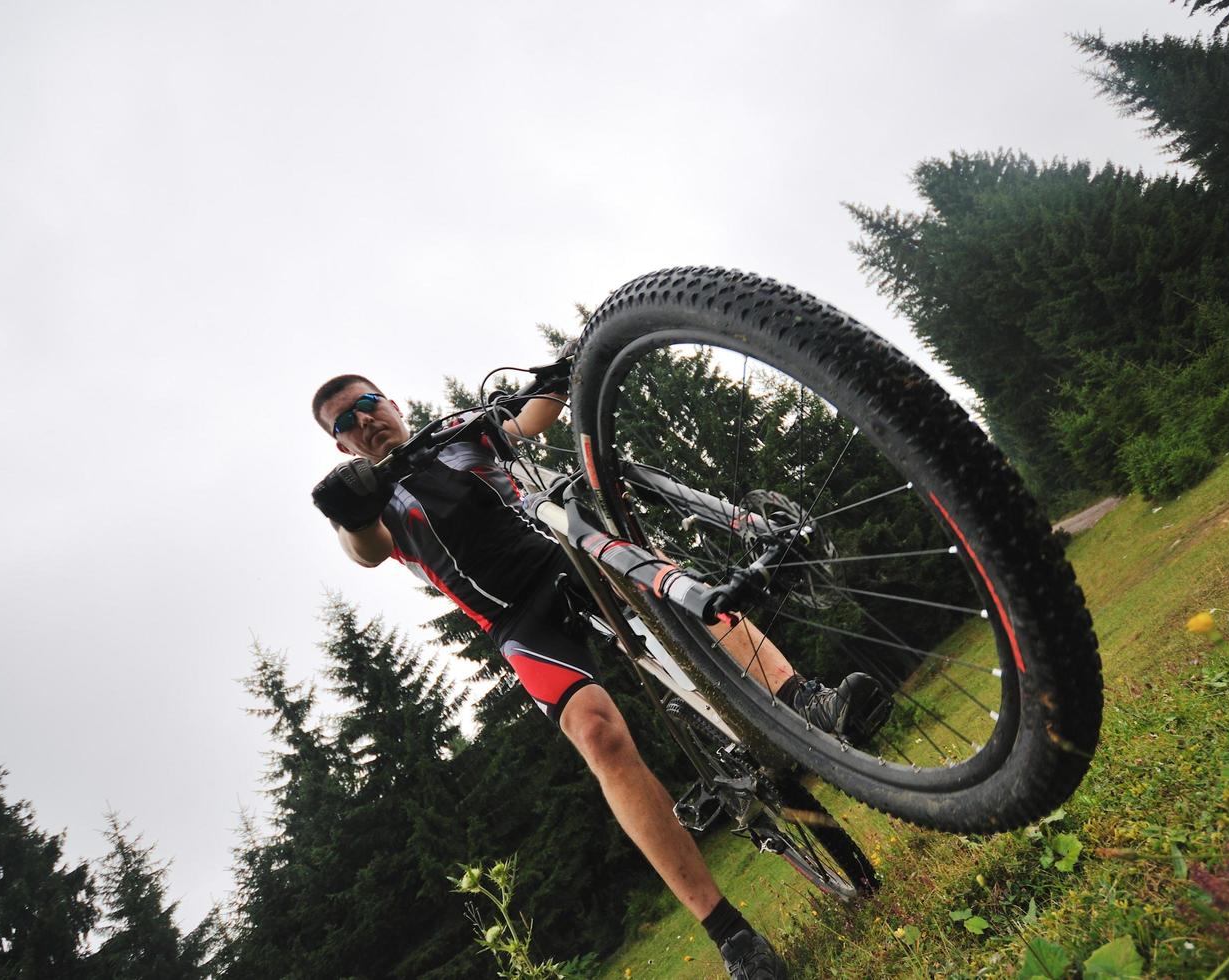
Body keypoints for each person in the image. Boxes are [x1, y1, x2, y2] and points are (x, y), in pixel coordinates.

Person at [309, 360, 882, 980]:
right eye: (346, 421)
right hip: (517, 624)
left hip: (569, 553)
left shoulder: (455, 431)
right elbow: (362, 550)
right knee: (598, 736)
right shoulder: (365, 503)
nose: (364, 420)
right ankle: (732, 937)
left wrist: (551, 381)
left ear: (390, 401)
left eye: (368, 403)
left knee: (668, 589)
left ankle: (808, 701)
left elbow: (527, 422)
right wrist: (353, 506)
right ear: (340, 444)